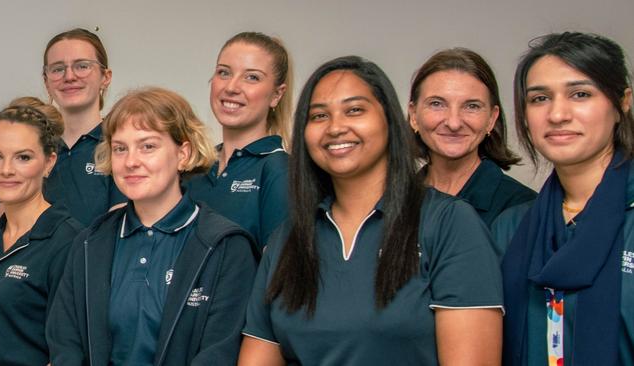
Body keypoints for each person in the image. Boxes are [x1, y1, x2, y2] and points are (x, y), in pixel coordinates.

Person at [239, 56, 503, 366]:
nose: (336, 127)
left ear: (390, 120)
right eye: (319, 115)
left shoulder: (449, 223)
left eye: (354, 110)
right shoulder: (286, 240)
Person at [46, 87, 258, 365]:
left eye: (148, 146)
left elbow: (219, 353)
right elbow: (66, 347)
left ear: (184, 153)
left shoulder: (225, 246)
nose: (131, 161)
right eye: (120, 148)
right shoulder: (89, 244)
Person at [497, 32, 634, 365]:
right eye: (540, 99)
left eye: (580, 94)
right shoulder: (511, 227)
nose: (557, 114)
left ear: (622, 104)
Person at [0, 98, 82, 365]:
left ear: (49, 162)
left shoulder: (70, 243)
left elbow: (70, 352)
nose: (6, 170)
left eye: (23, 157)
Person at [186, 31, 292, 253]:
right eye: (224, 72)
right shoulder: (195, 167)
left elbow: (280, 276)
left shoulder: (280, 170)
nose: (232, 87)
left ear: (276, 95)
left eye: (251, 77)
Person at [408, 48, 536, 227]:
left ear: (491, 119)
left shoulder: (523, 209)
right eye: (437, 104)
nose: (454, 123)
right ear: (414, 116)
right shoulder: (393, 202)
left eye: (472, 106)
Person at [43, 28, 125, 226]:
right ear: (46, 81)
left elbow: (119, 232)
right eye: (57, 69)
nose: (69, 76)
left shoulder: (122, 145)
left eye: (82, 66)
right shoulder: (35, 146)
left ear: (105, 77)